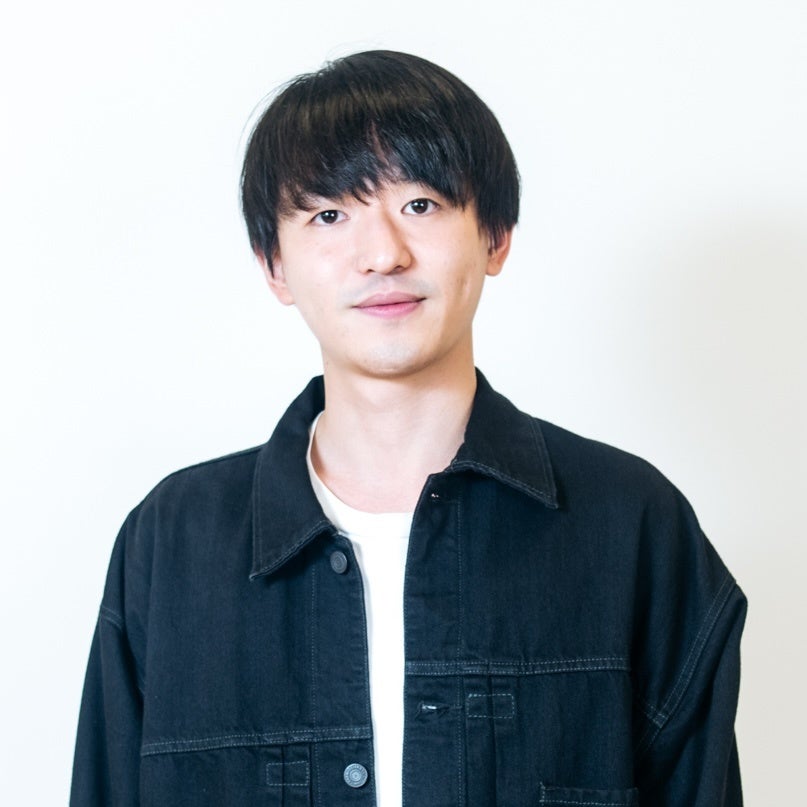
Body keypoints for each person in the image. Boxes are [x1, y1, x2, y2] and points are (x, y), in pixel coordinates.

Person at [70, 50, 746, 806]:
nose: (383, 255)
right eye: (329, 215)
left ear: (495, 235)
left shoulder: (630, 523)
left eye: (420, 205)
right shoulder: (171, 543)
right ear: (274, 266)